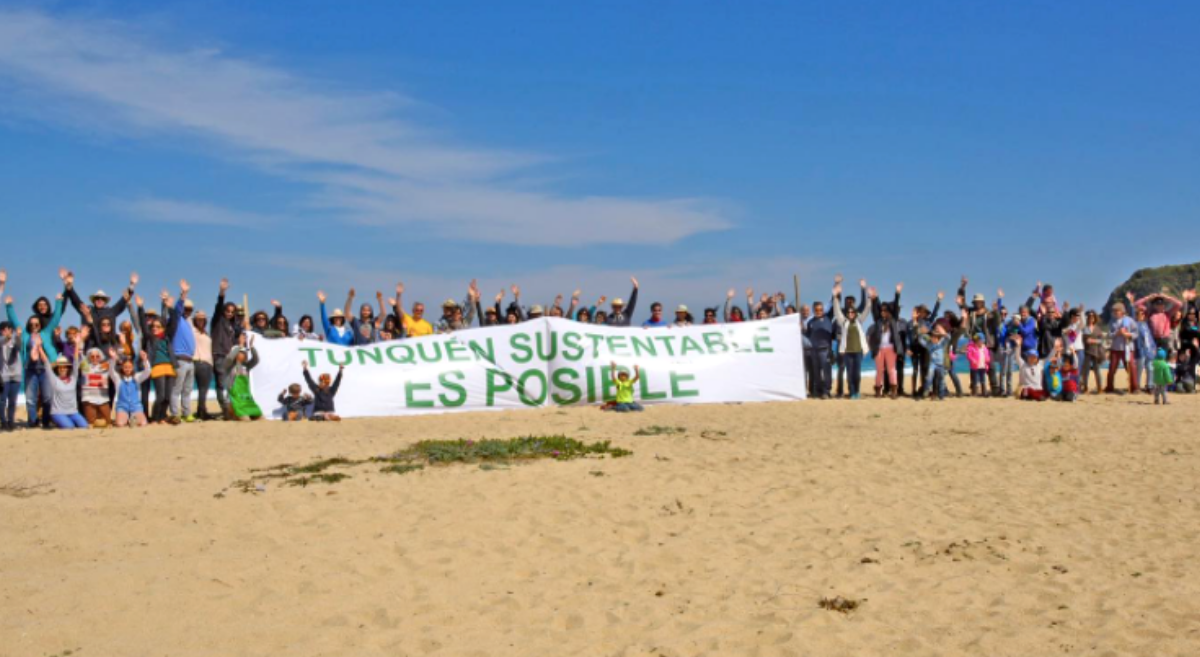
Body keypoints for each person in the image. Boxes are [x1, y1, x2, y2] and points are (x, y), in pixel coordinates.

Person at [831, 282, 871, 399]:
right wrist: (835, 297)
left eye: (853, 312)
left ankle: (857, 391)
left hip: (858, 351)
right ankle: (852, 392)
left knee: (857, 374)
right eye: (849, 312)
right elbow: (837, 310)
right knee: (849, 373)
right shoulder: (843, 322)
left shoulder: (859, 321)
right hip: (847, 352)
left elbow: (867, 309)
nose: (850, 313)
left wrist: (868, 297)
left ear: (855, 313)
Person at [211, 278, 242, 418]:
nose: (229, 313)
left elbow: (238, 340)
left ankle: (230, 409)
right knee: (222, 384)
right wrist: (222, 292)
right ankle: (225, 410)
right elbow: (218, 307)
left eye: (232, 311)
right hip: (219, 355)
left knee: (231, 384)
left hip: (231, 357)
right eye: (227, 311)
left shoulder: (233, 326)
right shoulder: (218, 321)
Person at [867, 284, 903, 398]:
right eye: (881, 310)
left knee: (891, 370)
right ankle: (878, 391)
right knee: (879, 370)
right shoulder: (877, 320)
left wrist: (897, 293)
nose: (882, 312)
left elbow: (896, 305)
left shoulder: (893, 320)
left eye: (885, 310)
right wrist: (875, 299)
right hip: (879, 349)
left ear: (889, 311)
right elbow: (875, 309)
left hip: (891, 348)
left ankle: (894, 391)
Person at [108, 347, 152, 428]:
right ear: (122, 368)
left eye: (129, 367)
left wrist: (145, 360)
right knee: (120, 424)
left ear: (132, 368)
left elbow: (147, 372)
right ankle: (127, 418)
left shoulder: (137, 377)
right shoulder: (118, 379)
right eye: (125, 367)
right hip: (122, 406)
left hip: (136, 406)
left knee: (143, 424)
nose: (127, 369)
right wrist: (113, 358)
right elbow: (111, 371)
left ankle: (132, 418)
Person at [222, 333, 262, 421]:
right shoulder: (229, 366)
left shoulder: (246, 366)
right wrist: (239, 345)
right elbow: (229, 358)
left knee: (260, 417)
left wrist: (251, 347)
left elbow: (256, 359)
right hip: (233, 400)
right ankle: (230, 414)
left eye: (245, 352)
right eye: (241, 352)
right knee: (245, 420)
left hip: (245, 400)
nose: (244, 354)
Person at [802, 301, 835, 399]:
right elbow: (808, 335)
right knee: (816, 373)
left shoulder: (828, 317)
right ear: (813, 310)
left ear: (823, 310)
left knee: (826, 372)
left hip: (825, 350)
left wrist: (836, 293)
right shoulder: (810, 322)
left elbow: (834, 304)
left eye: (821, 309)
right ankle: (819, 391)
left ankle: (826, 391)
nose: (819, 311)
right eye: (816, 310)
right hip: (814, 351)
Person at [1105, 302, 1137, 394]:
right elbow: (1109, 334)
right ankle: (1109, 387)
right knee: (1112, 368)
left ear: (1122, 311)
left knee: (1131, 368)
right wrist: (1117, 333)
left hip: (1127, 347)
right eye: (1114, 311)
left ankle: (1134, 387)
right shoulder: (1112, 321)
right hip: (1115, 348)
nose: (1115, 312)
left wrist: (1128, 334)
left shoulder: (1129, 320)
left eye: (1117, 310)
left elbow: (1136, 333)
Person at [191, 312, 216, 421]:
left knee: (203, 389)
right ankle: (202, 412)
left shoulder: (205, 333)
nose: (200, 321)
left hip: (208, 363)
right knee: (202, 389)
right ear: (195, 320)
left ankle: (201, 410)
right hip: (200, 361)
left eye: (202, 319)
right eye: (198, 319)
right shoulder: (193, 331)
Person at [79, 347, 113, 427]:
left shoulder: (104, 366)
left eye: (97, 356)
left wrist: (113, 357)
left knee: (107, 423)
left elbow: (112, 363)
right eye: (92, 356)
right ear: (89, 357)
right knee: (91, 423)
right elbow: (81, 358)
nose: (95, 358)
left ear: (100, 357)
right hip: (89, 399)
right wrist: (79, 346)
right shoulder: (86, 367)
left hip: (103, 399)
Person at [917, 324, 948, 401]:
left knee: (941, 380)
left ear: (938, 339)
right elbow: (920, 341)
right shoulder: (929, 345)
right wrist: (921, 333)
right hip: (932, 364)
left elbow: (948, 338)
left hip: (940, 365)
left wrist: (943, 333)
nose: (933, 339)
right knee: (929, 377)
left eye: (935, 337)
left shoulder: (941, 344)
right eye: (932, 337)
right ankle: (926, 390)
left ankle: (941, 396)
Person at [0, 321, 19, 431]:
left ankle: (11, 421)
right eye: (2, 330)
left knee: (12, 400)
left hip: (16, 375)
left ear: (11, 330)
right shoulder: (1, 342)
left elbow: (19, 346)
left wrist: (17, 336)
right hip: (3, 376)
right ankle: (3, 422)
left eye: (7, 329)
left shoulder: (16, 340)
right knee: (2, 400)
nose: (5, 331)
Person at [1080, 311, 1105, 394]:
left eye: (1092, 317)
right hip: (1086, 352)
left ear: (1095, 318)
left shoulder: (1098, 328)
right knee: (1085, 372)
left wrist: (1094, 340)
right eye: (1089, 317)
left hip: (1096, 352)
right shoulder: (1084, 328)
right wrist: (1085, 341)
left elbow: (1101, 340)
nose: (1091, 319)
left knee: (1097, 371)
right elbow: (1082, 340)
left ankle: (1099, 388)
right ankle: (1085, 388)